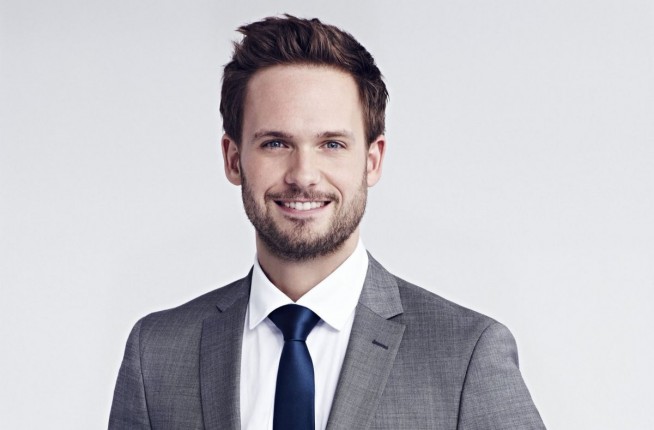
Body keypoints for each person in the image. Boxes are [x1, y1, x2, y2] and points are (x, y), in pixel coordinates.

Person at [109, 14, 546, 430]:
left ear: (372, 161)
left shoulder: (466, 353)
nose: (303, 175)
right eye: (275, 143)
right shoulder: (156, 354)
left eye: (332, 144)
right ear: (233, 158)